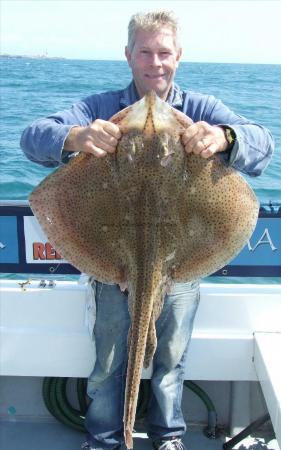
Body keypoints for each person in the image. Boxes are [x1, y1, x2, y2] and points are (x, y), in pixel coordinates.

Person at [20, 10, 274, 450]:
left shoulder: (200, 109)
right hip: (111, 257)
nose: (155, 62)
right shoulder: (100, 108)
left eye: (164, 52)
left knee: (171, 358)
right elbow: (32, 137)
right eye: (145, 52)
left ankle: (167, 437)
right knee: (110, 360)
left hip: (180, 261)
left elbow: (262, 145)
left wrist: (225, 138)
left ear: (178, 57)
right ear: (128, 55)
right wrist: (76, 138)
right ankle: (103, 440)